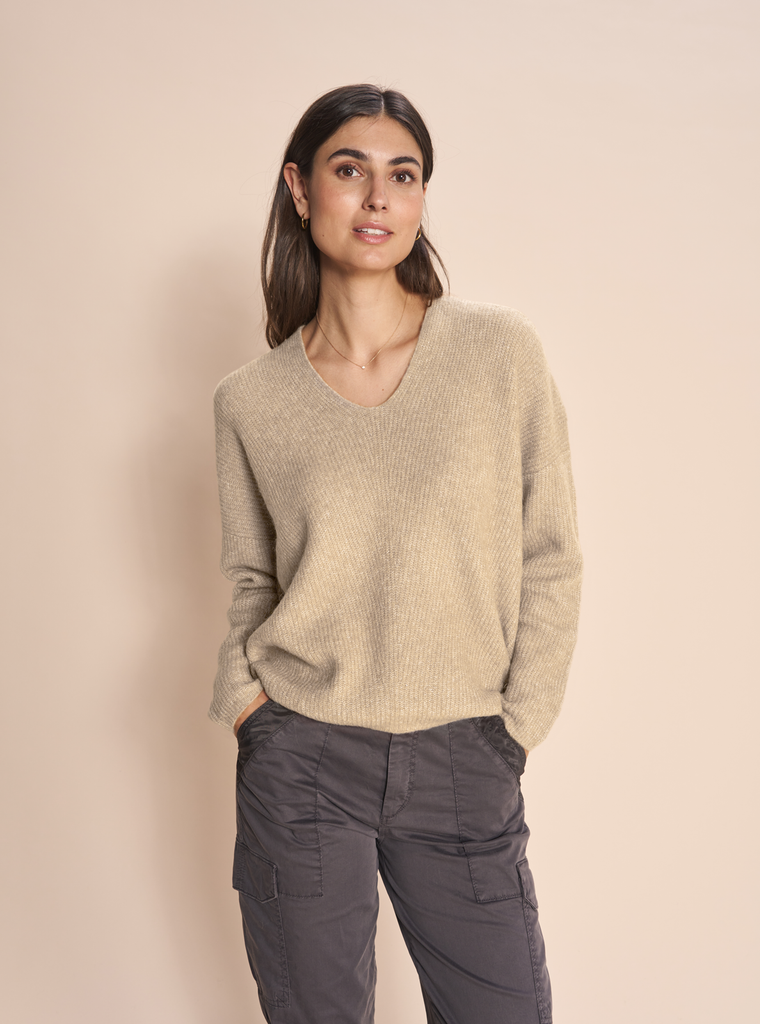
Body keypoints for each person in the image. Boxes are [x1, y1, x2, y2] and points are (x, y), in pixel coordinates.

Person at [210, 83, 582, 1024]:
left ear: (421, 197)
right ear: (301, 189)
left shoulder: (499, 355)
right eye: (351, 170)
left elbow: (550, 553)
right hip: (301, 756)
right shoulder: (251, 401)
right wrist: (253, 708)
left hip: (464, 753)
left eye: (403, 175)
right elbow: (253, 581)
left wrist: (515, 727)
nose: (379, 198)